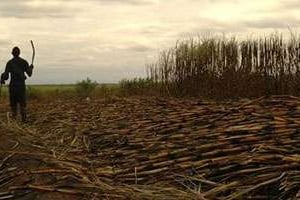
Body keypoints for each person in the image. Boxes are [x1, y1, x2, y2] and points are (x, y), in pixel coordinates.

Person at [0, 47, 34, 122]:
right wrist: (31, 68)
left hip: (13, 87)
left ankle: (14, 121)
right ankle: (24, 121)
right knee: (22, 104)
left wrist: (2, 77)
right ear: (19, 53)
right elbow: (29, 74)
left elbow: (6, 76)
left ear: (12, 53)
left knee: (13, 105)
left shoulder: (9, 63)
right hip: (21, 86)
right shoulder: (24, 62)